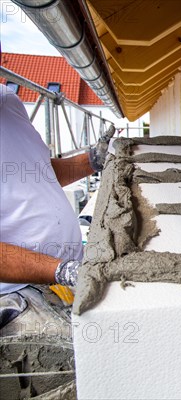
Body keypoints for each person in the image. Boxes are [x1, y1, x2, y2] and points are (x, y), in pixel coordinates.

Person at [0, 81, 112, 335]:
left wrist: (92, 160)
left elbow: (35, 173)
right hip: (16, 295)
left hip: (64, 275)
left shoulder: (7, 100)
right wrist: (61, 270)